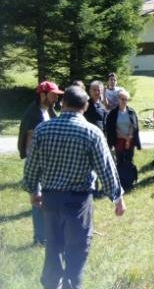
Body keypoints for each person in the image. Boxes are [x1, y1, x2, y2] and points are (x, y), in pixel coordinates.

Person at [22, 85, 125, 289]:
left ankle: (52, 284)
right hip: (78, 203)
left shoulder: (43, 129)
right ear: (85, 106)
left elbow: (32, 165)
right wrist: (117, 198)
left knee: (53, 247)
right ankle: (71, 285)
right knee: (77, 249)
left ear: (63, 103)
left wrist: (34, 191)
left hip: (50, 201)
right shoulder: (91, 132)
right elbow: (106, 168)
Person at [18, 81, 63, 246]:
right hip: (37, 165)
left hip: (49, 164)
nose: (56, 97)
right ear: (43, 95)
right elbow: (30, 147)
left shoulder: (49, 111)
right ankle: (39, 239)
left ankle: (48, 235)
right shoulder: (33, 115)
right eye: (53, 94)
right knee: (37, 201)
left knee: (48, 200)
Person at [106, 89, 141, 166]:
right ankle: (120, 177)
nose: (124, 101)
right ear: (118, 99)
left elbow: (134, 126)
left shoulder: (132, 112)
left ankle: (130, 177)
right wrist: (125, 138)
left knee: (130, 160)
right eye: (122, 99)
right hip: (118, 141)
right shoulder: (113, 113)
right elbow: (111, 128)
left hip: (130, 140)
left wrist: (128, 140)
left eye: (126, 99)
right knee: (120, 161)